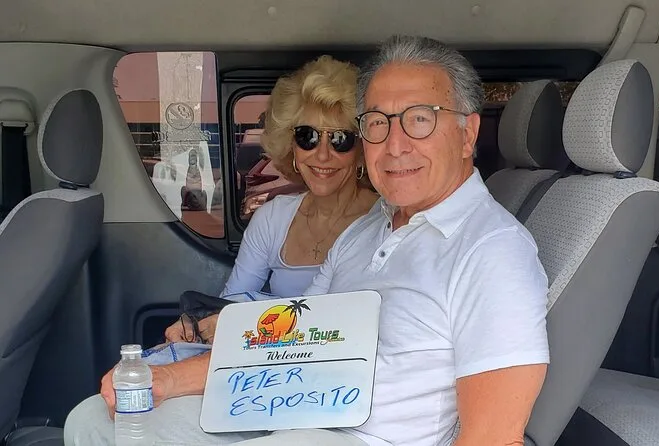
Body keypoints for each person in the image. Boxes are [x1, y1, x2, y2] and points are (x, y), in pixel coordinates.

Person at [64, 36, 549, 446]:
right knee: (96, 420)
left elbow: (494, 437)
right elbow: (286, 342)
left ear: (467, 134)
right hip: (283, 408)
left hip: (356, 437)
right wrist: (168, 378)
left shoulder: (494, 251)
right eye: (377, 123)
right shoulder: (365, 231)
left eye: (420, 119)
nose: (395, 145)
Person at [163, 55, 378, 343]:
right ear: (291, 145)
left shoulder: (386, 221)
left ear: (362, 149)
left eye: (341, 139)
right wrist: (196, 327)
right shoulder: (273, 218)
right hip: (273, 358)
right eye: (308, 137)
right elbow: (232, 304)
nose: (323, 154)